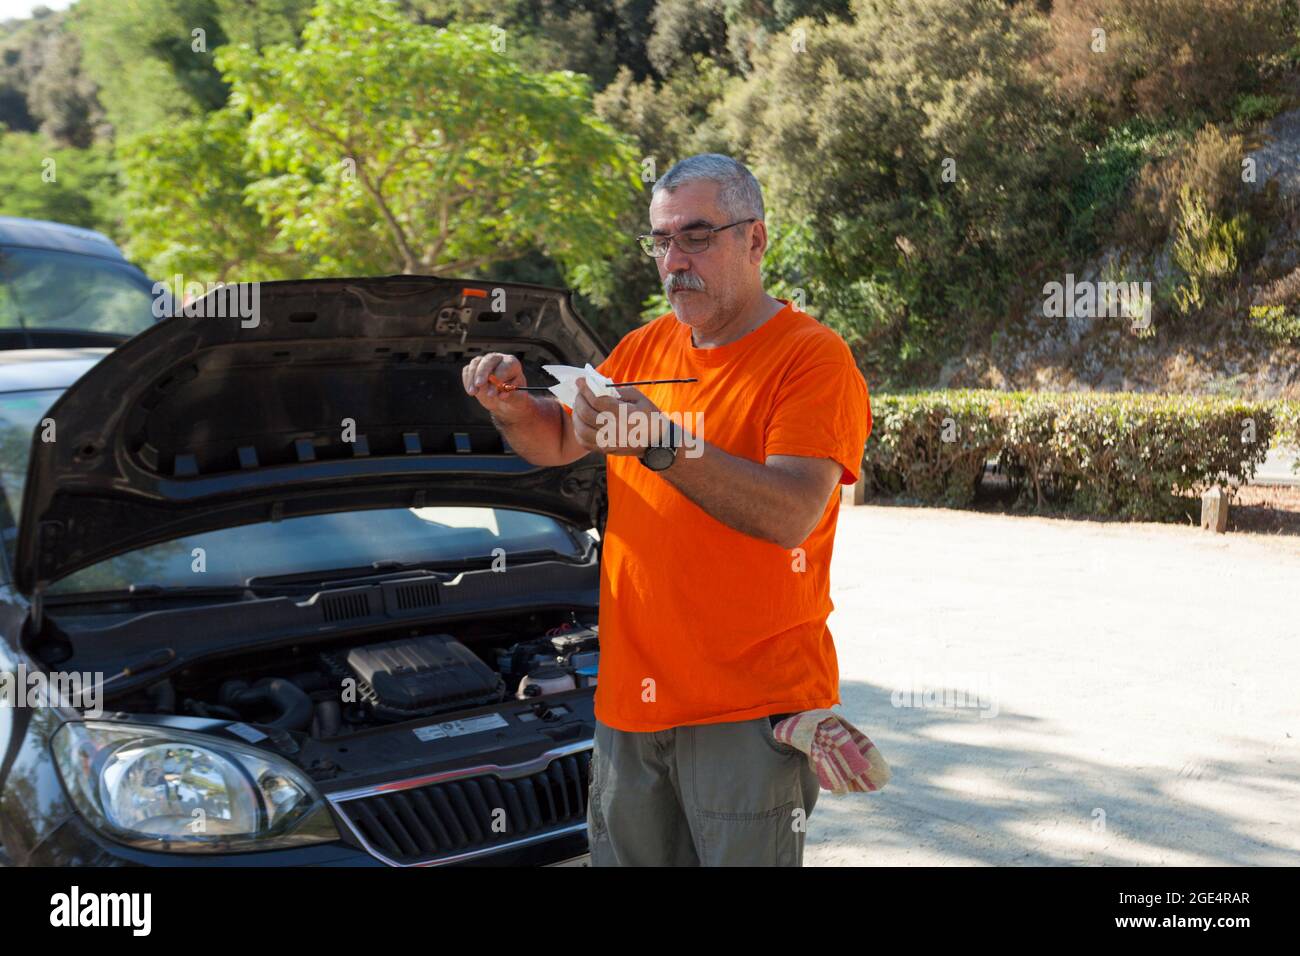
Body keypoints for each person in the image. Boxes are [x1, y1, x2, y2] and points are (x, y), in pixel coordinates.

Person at [462, 153, 871, 866]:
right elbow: (558, 439)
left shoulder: (811, 359)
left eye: (697, 236)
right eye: (660, 241)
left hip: (747, 711)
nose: (674, 260)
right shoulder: (645, 346)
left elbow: (791, 514)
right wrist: (510, 407)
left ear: (756, 240)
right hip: (628, 703)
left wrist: (661, 441)